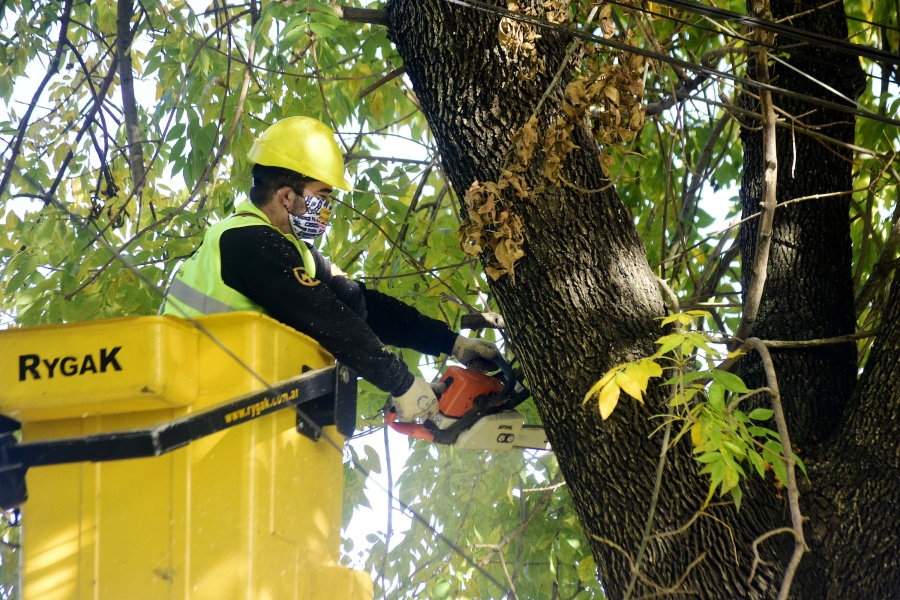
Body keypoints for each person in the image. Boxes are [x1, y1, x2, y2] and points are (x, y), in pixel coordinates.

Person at [161, 116, 499, 422]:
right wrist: (399, 381)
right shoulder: (247, 242)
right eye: (322, 195)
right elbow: (325, 318)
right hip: (192, 397)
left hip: (232, 400)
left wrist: (451, 342)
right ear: (287, 196)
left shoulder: (291, 252)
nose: (327, 209)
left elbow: (359, 305)